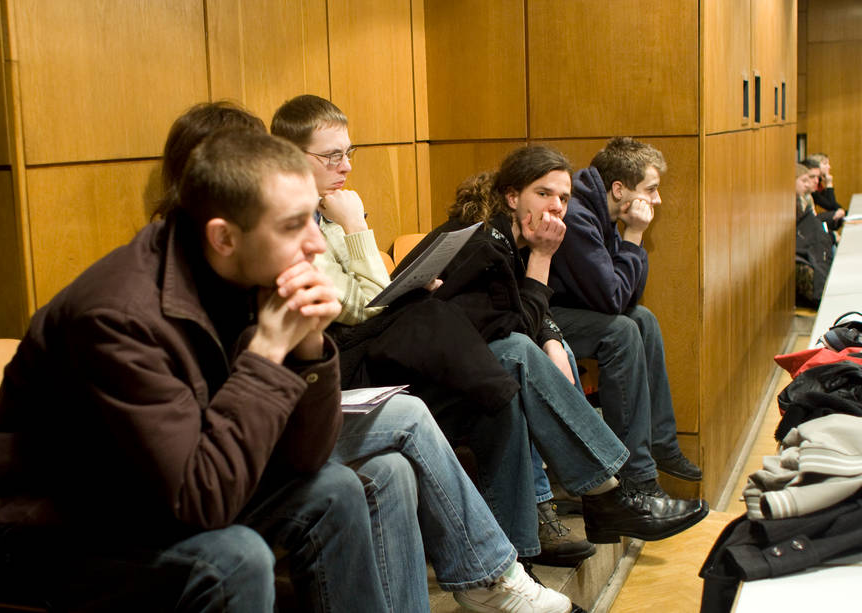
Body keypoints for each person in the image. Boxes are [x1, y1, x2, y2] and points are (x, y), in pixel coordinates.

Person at [159, 101, 575, 613]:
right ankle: (497, 567)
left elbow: (361, 315)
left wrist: (307, 345)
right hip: (226, 468)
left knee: (412, 453)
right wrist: (283, 344)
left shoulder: (256, 249)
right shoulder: (161, 290)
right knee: (441, 396)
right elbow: (206, 457)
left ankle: (516, 552)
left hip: (296, 415)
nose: (309, 243)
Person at [0, 127, 388, 612]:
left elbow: (303, 459)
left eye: (313, 218)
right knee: (234, 559)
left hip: (144, 500)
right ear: (223, 237)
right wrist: (268, 352)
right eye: (292, 226)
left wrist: (309, 349)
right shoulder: (116, 318)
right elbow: (203, 501)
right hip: (39, 529)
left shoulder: (246, 271)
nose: (315, 244)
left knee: (335, 489)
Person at [273, 96, 708, 564]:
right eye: (332, 156)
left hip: (399, 358)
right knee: (515, 354)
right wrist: (357, 226)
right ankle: (612, 493)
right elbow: (370, 306)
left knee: (507, 380)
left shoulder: (330, 218)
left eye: (349, 153)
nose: (346, 166)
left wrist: (550, 331)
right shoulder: (310, 225)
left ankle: (525, 555)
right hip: (348, 379)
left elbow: (389, 301)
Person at [547, 137, 703, 488]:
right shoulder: (578, 217)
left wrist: (632, 238)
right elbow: (613, 300)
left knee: (643, 320)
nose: (657, 200)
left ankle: (661, 444)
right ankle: (638, 476)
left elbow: (629, 293)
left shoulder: (600, 211)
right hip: (543, 317)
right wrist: (633, 234)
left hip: (577, 308)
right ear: (619, 189)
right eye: (651, 189)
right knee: (622, 330)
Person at [795, 162, 834, 309]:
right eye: (804, 180)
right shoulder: (793, 204)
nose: (809, 184)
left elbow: (831, 205)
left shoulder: (806, 199)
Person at [802, 154, 845, 230]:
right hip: (809, 225)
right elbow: (830, 206)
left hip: (812, 222)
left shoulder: (818, 183)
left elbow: (834, 206)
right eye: (825, 164)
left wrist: (841, 210)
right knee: (834, 217)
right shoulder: (811, 188)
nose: (829, 167)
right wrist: (829, 184)